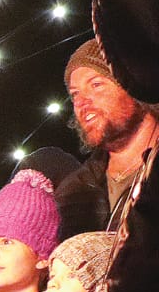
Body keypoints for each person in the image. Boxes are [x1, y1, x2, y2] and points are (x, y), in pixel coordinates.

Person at [55, 39, 158, 237]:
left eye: (96, 84)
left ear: (132, 84)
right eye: (75, 94)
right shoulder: (71, 193)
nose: (82, 102)